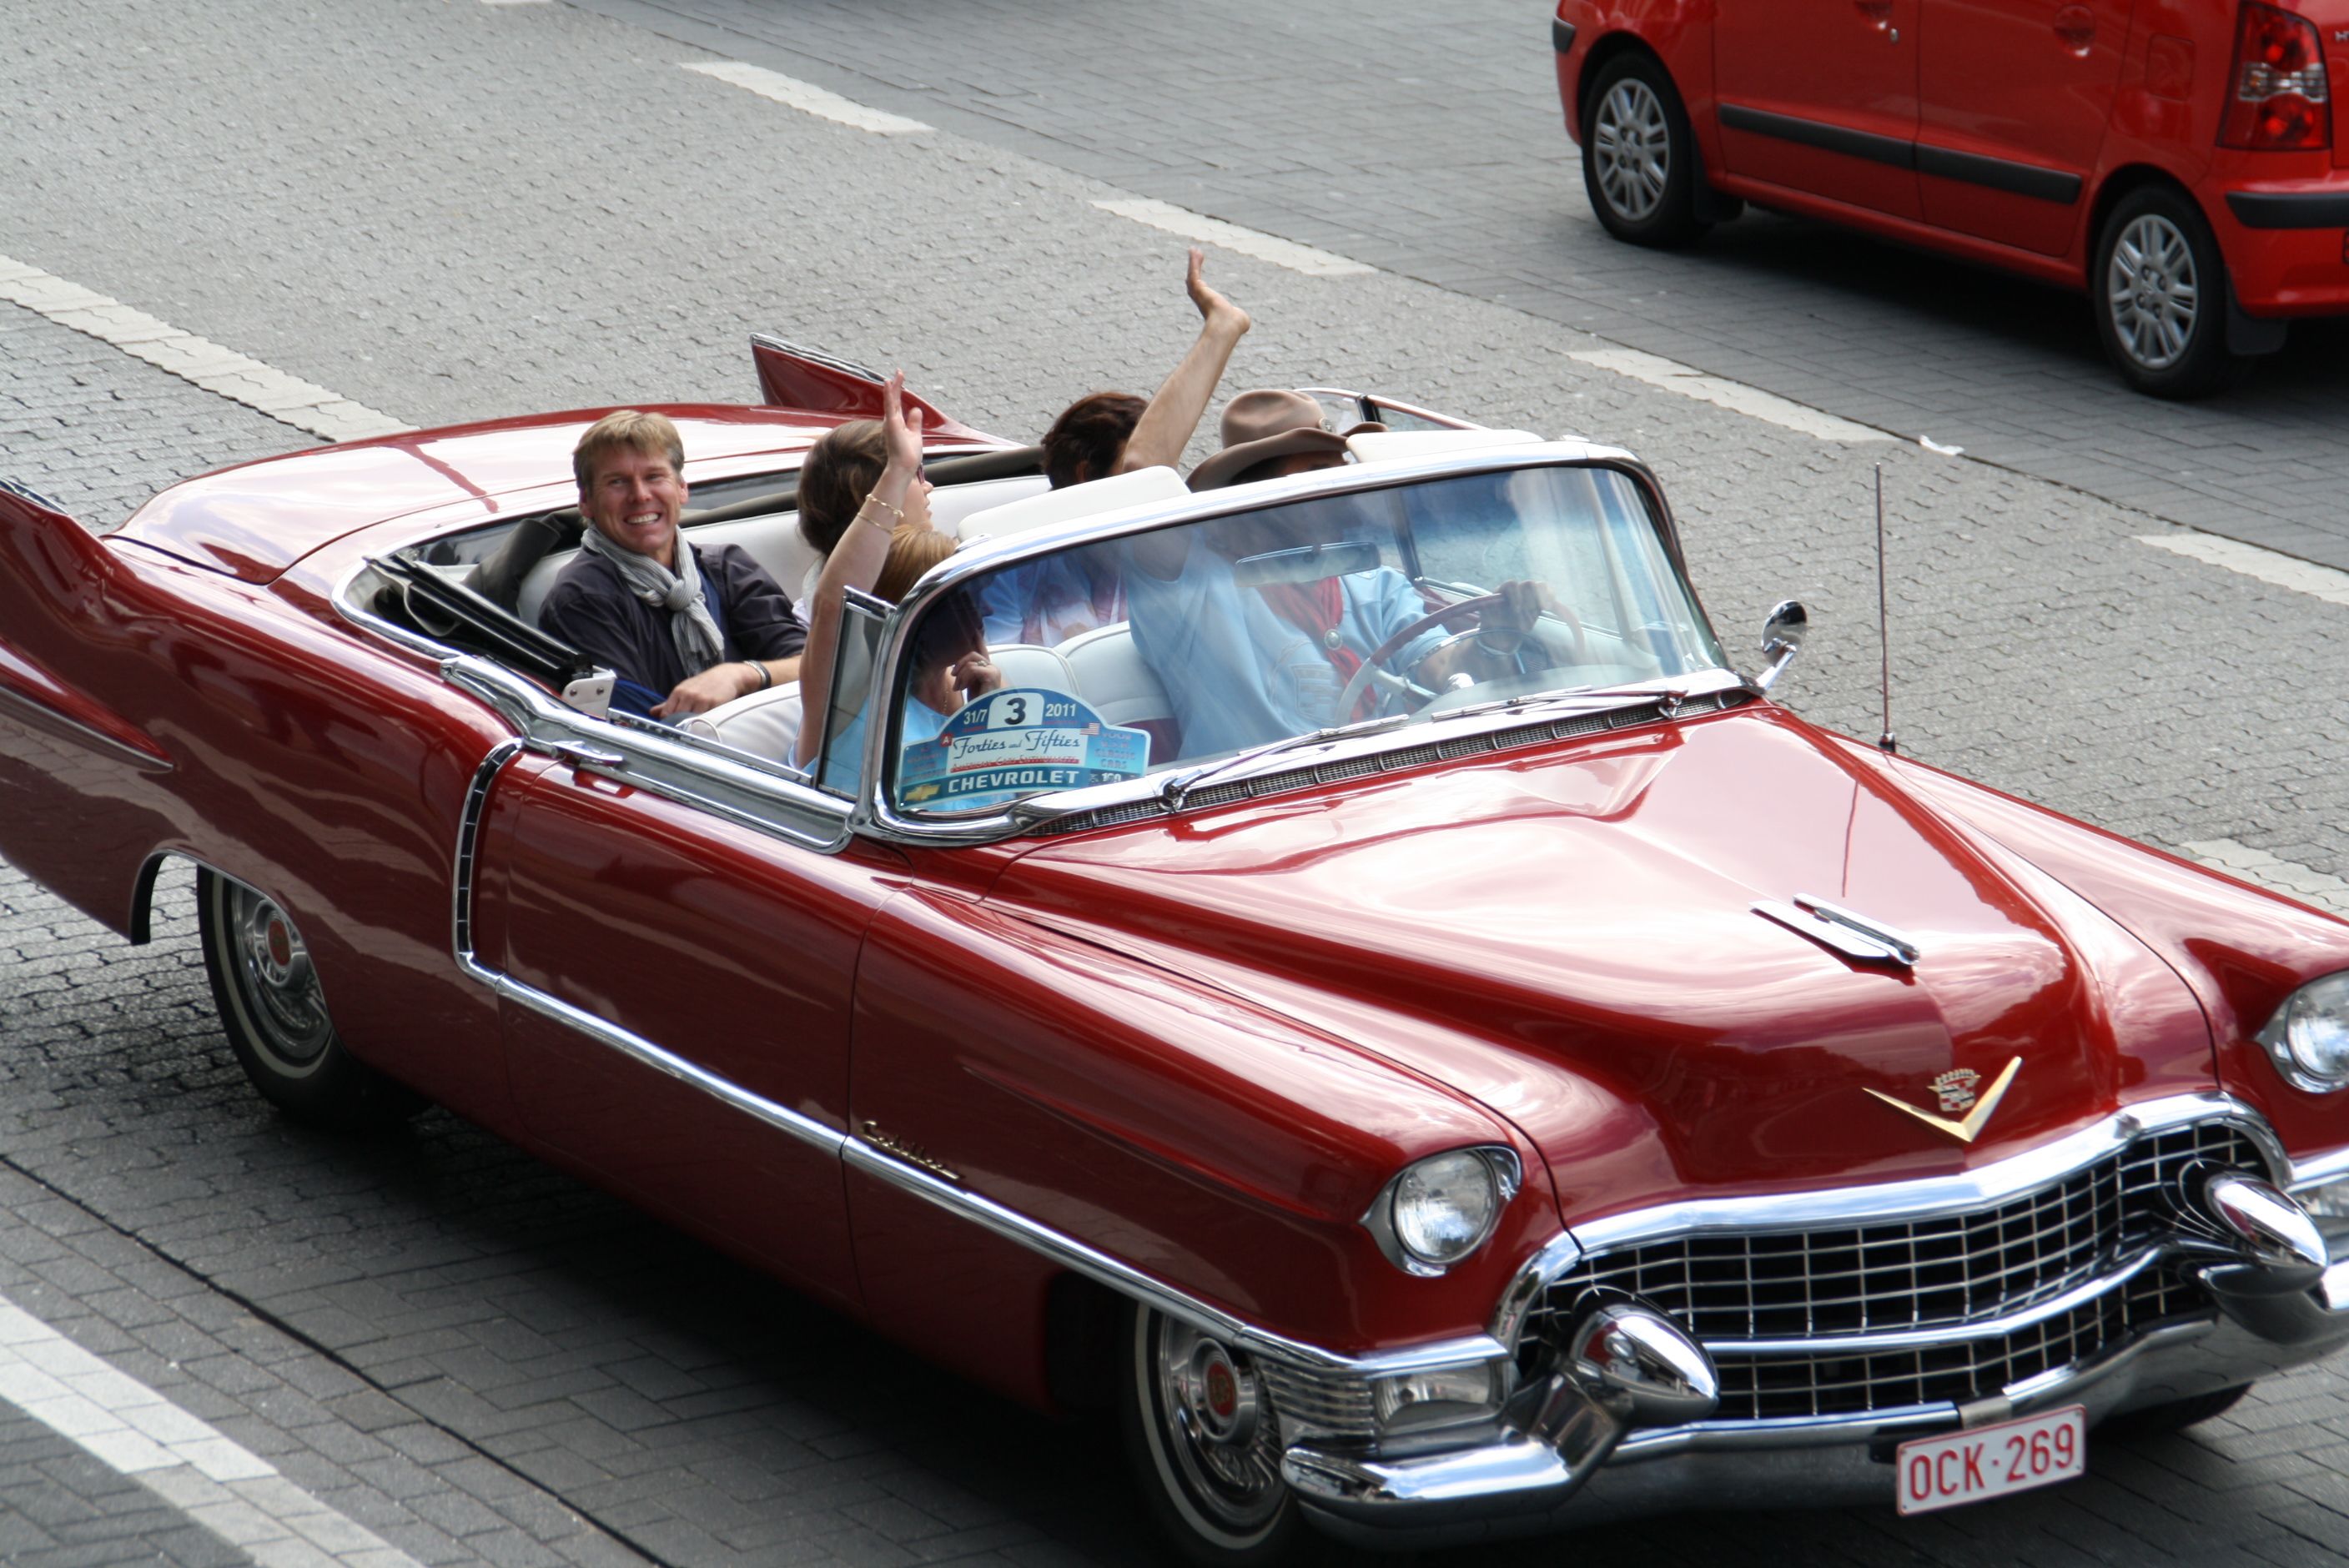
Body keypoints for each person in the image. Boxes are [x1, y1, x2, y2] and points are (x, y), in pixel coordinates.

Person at [1126, 393, 1556, 756]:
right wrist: (1221, 332)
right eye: (1317, 474)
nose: (1342, 489)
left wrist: (1495, 640)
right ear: (1256, 494)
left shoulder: (1376, 585)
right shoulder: (1194, 582)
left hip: (1379, 782)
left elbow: (1439, 671)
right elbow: (1139, 473)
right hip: (1247, 804)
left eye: (1341, 471)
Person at [983, 249, 1252, 646]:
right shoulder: (1008, 568)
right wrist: (1220, 331)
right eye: (1132, 474)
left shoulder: (1170, 552)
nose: (1155, 485)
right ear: (1085, 475)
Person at [797, 375, 1003, 786]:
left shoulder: (975, 677)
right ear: (908, 614)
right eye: (955, 599)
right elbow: (838, 605)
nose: (985, 609)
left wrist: (991, 706)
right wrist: (897, 470)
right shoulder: (851, 700)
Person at [540, 410, 805, 719]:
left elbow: (813, 667)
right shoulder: (581, 599)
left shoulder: (727, 568)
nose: (640, 495)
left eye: (654, 477)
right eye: (617, 482)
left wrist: (741, 675)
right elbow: (638, 724)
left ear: (681, 488)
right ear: (586, 501)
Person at [792, 418, 933, 622]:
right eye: (913, 473)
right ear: (875, 499)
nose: (927, 485)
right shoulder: (810, 626)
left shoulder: (811, 612)